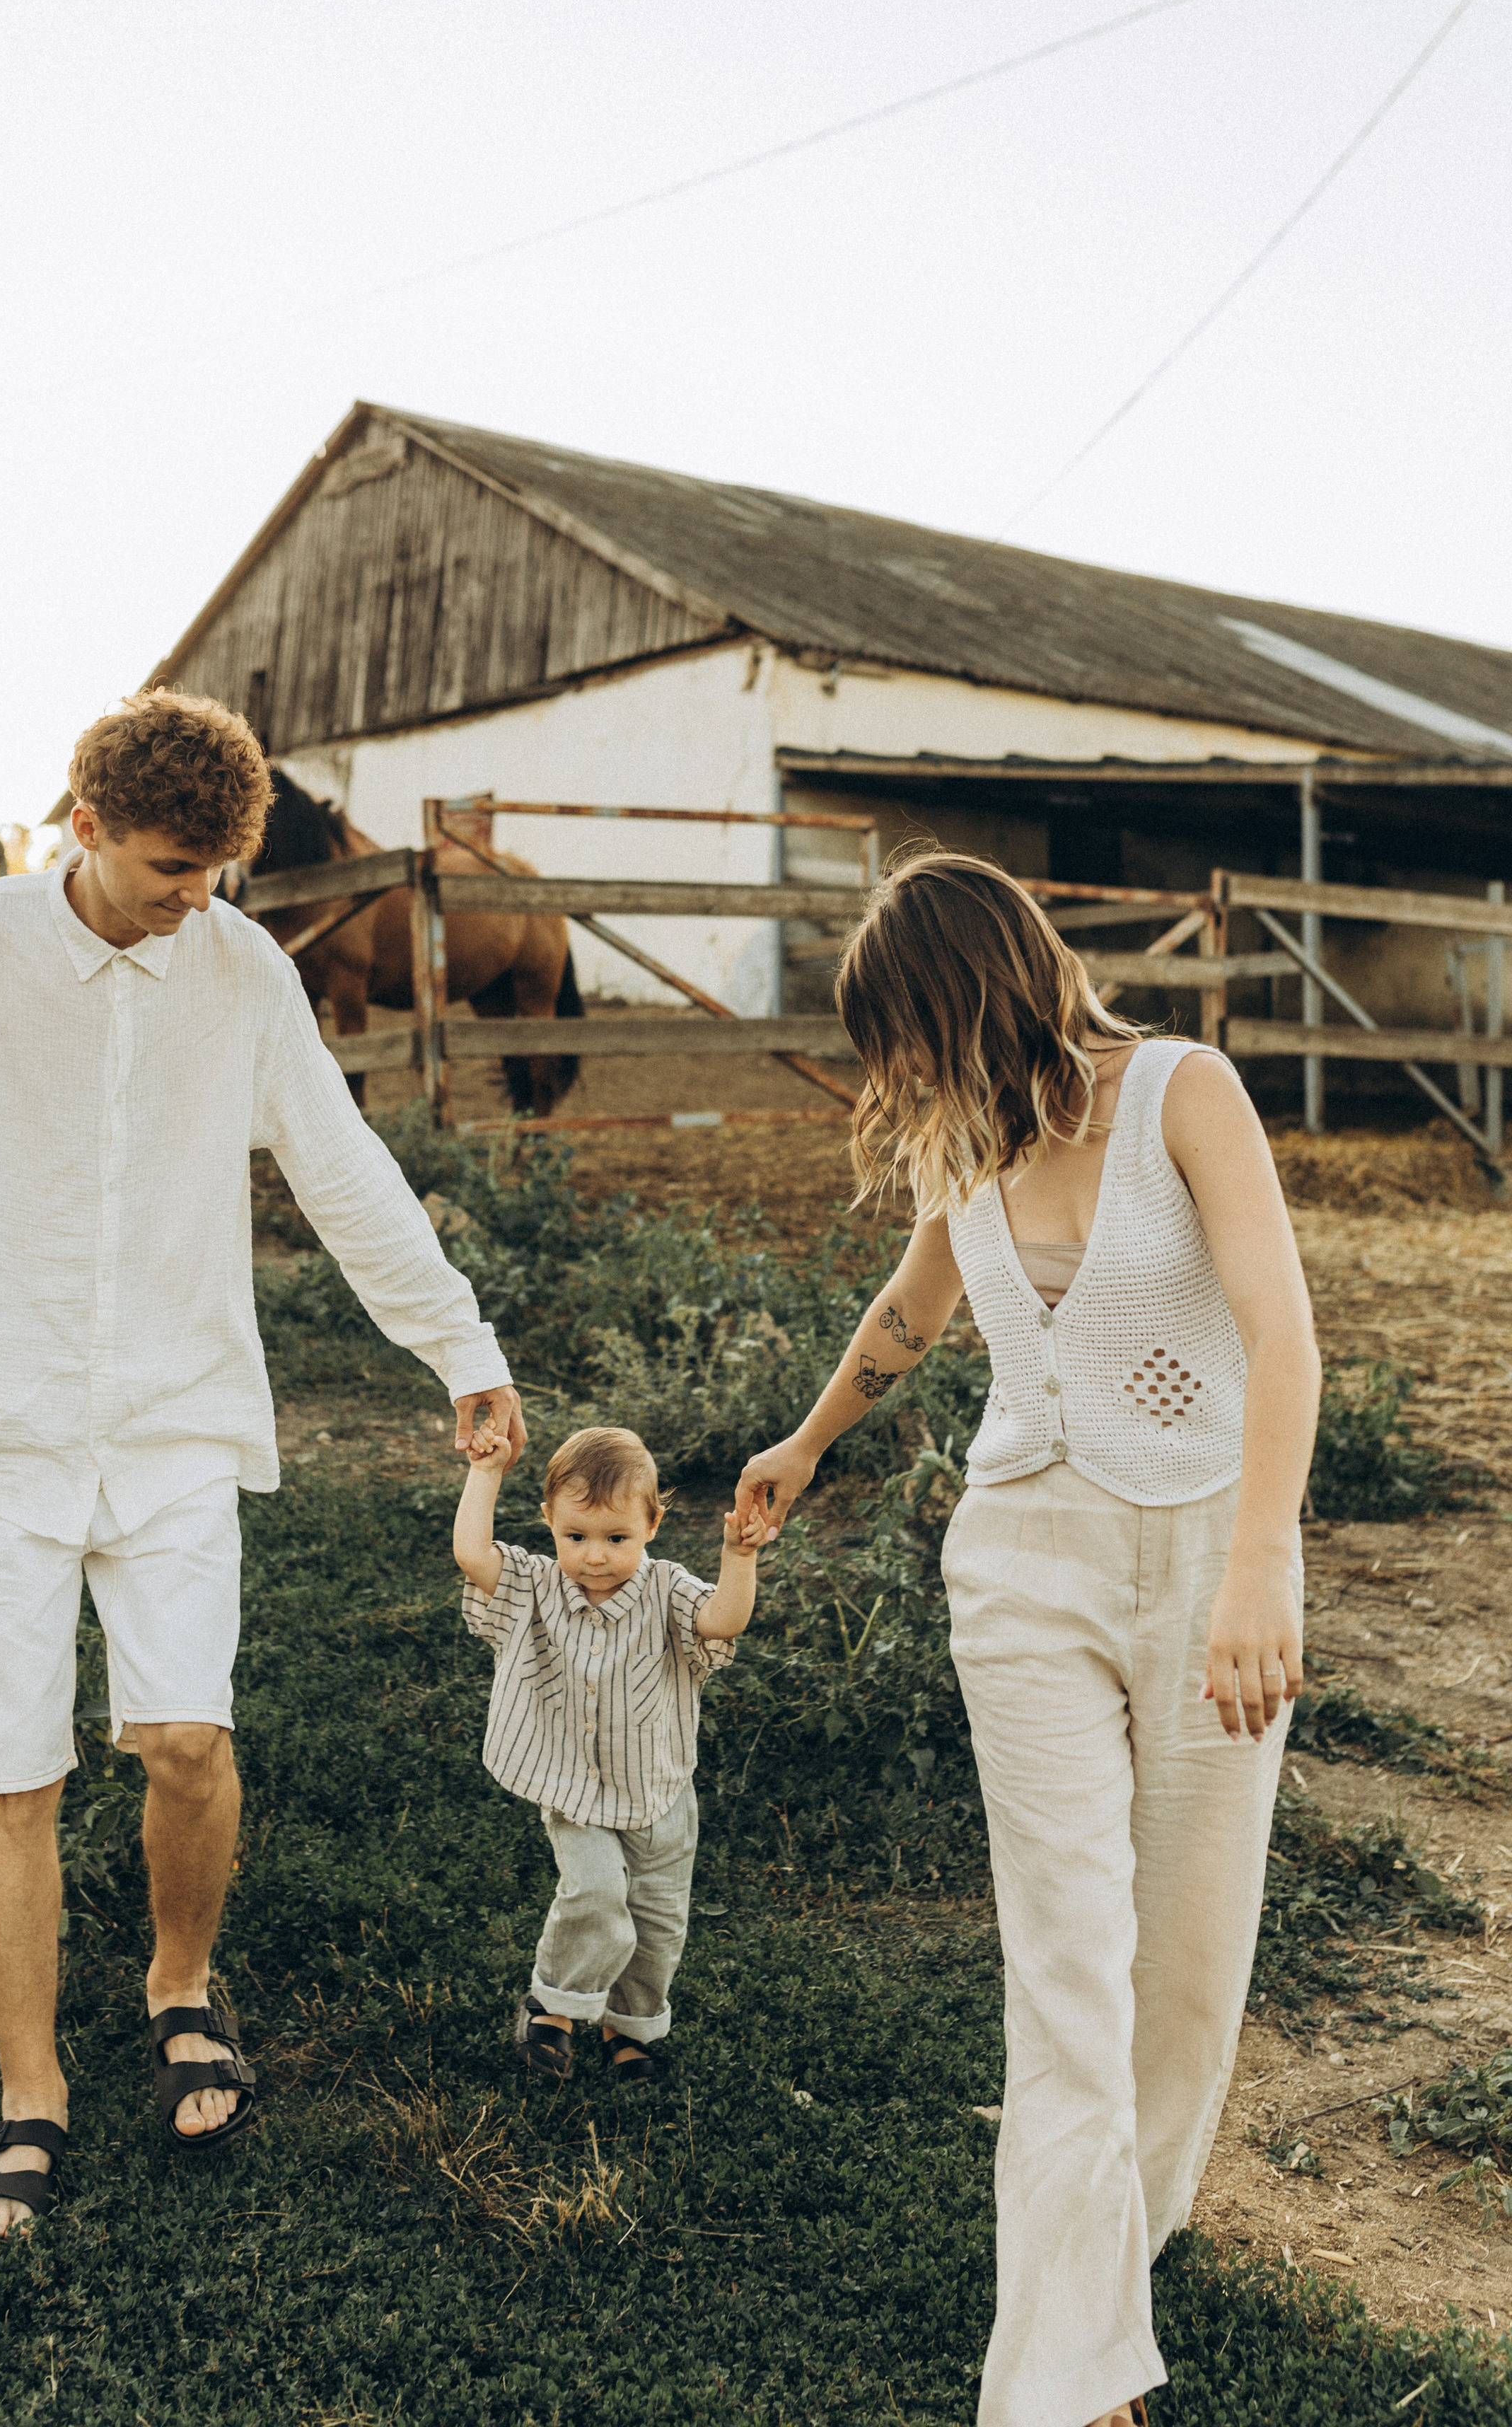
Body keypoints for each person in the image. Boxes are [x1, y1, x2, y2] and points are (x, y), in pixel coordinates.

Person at [0, 691, 524, 2236]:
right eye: (167, 872)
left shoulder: (245, 971)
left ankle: (180, 1982)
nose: (191, 902)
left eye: (215, 875)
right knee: (8, 1776)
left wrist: (460, 1348)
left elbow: (344, 1175)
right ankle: (31, 2092)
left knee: (188, 1738)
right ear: (81, 826)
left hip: (174, 1421)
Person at [733, 853, 1317, 2427]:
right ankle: (1060, 2375)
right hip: (1019, 1568)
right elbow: (909, 1315)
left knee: (1186, 1966)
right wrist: (803, 1443)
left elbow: (1281, 1336)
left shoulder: (1182, 1094)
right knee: (1066, 1963)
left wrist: (1257, 1565)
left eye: (907, 1037)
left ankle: (1122, 2235)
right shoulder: (963, 1149)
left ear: (974, 994)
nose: (899, 1077)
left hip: (1208, 1555)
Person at [454, 1420, 763, 2083]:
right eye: (576, 1536)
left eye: (616, 1538)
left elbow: (722, 1623)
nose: (595, 1555)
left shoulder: (669, 1590)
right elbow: (474, 1558)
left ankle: (630, 2028)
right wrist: (485, 1474)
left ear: (652, 1524)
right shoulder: (534, 1586)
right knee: (595, 1895)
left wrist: (739, 1558)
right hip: (576, 1788)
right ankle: (555, 2008)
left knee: (655, 1924)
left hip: (659, 1791)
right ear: (549, 1523)